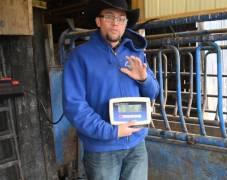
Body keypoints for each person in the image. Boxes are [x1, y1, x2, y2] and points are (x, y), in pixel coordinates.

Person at [63, 0, 159, 179]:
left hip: (136, 144)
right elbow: (74, 106)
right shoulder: (79, 57)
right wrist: (112, 132)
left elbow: (153, 93)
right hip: (102, 150)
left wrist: (144, 79)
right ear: (98, 21)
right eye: (109, 17)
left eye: (121, 19)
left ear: (125, 25)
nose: (116, 23)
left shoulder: (136, 53)